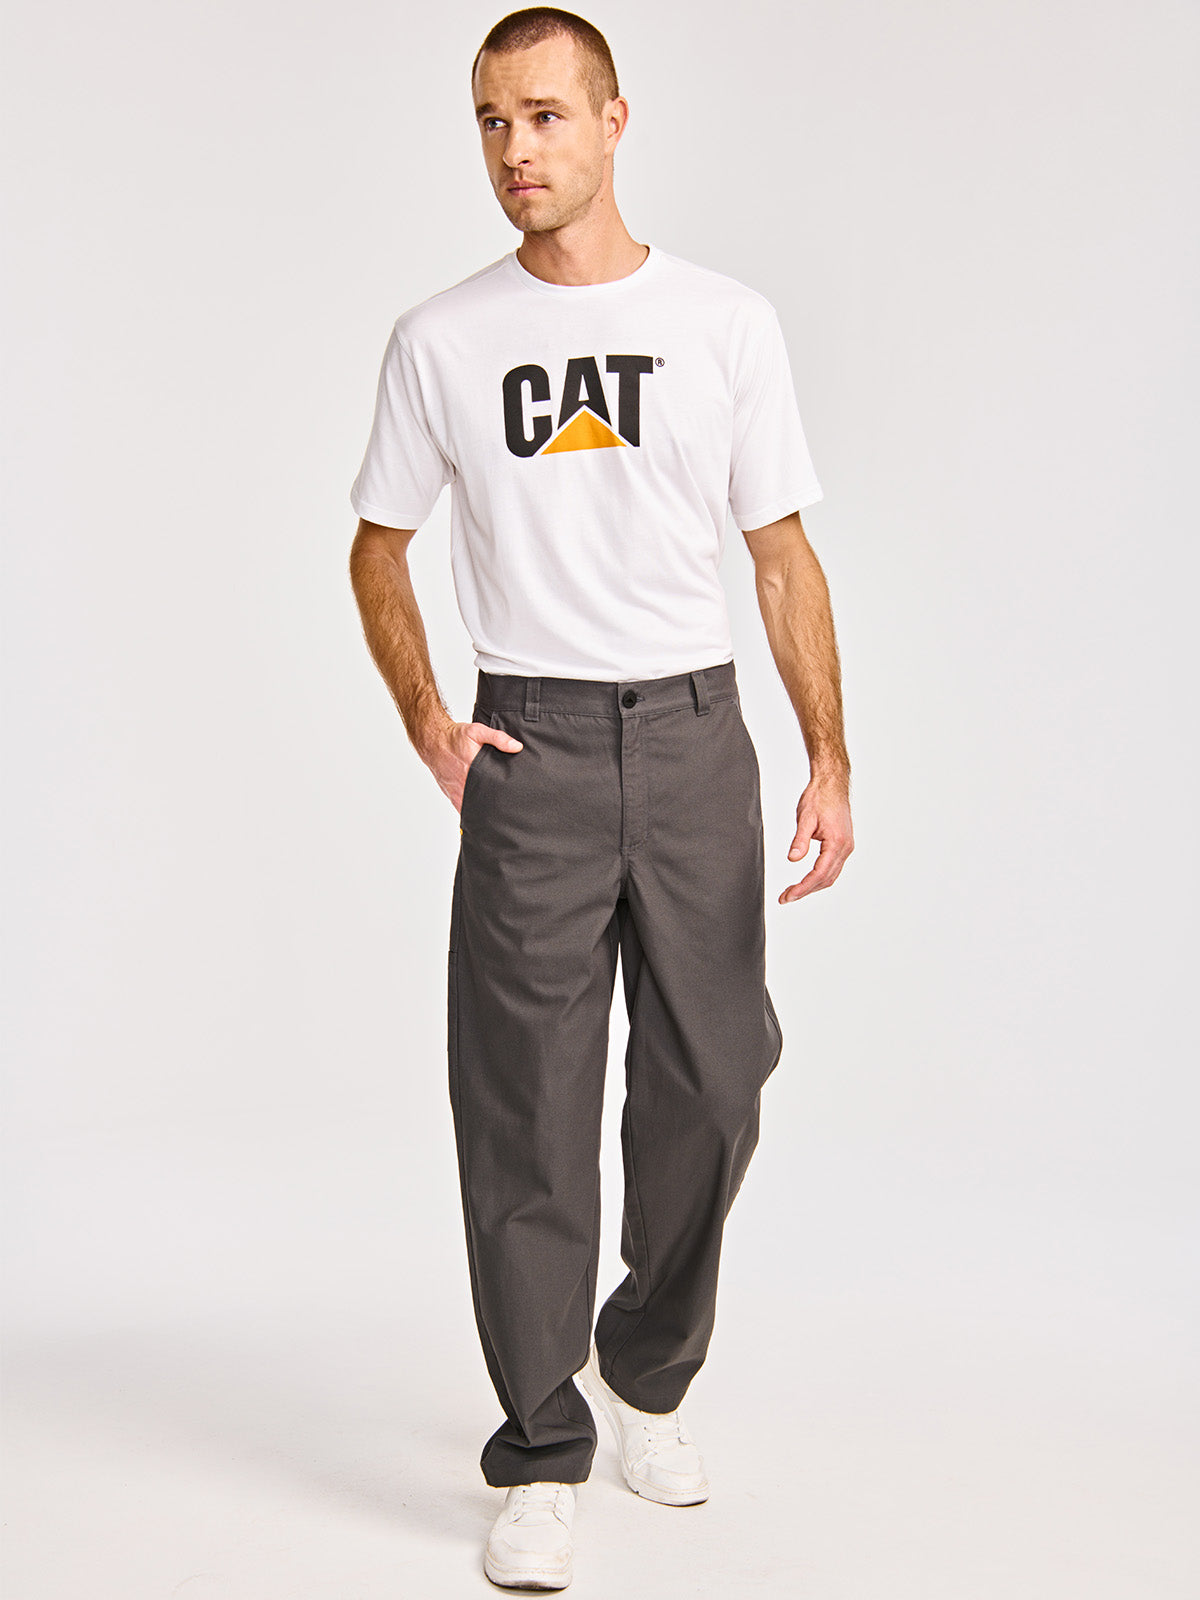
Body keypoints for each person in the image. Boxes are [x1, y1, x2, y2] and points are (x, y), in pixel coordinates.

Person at [347, 6, 854, 1589]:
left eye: (548, 116)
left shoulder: (724, 323)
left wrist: (831, 754)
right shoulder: (441, 338)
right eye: (493, 122)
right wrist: (430, 719)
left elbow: (781, 552)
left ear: (616, 121)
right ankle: (541, 1444)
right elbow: (377, 545)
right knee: (527, 1107)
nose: (518, 150)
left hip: (697, 737)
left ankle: (647, 1364)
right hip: (535, 744)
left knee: (720, 1079)